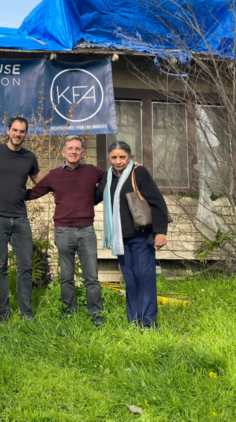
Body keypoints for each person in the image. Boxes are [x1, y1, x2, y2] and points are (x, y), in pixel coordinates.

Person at [26, 135, 106, 326]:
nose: (73, 151)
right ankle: (69, 312)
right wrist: (7, 191)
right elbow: (33, 193)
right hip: (63, 231)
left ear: (83, 153)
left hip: (86, 230)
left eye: (77, 149)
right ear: (63, 152)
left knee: (92, 277)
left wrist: (96, 196)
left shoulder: (92, 171)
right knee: (67, 277)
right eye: (70, 148)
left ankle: (95, 314)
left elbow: (110, 177)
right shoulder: (54, 175)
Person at [95, 141, 168, 329]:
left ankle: (148, 322)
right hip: (121, 240)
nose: (118, 161)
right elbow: (94, 196)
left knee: (145, 278)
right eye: (114, 157)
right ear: (109, 158)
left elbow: (158, 203)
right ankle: (135, 321)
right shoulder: (108, 177)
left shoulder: (139, 173)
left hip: (141, 237)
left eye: (122, 157)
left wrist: (160, 232)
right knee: (130, 280)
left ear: (129, 157)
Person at [0, 116, 43, 322]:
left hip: (20, 218)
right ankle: (3, 315)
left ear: (26, 134)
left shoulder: (29, 157)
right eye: (15, 130)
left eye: (22, 131)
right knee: (0, 266)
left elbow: (40, 183)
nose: (18, 134)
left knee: (25, 266)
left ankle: (26, 314)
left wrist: (62, 179)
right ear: (8, 130)